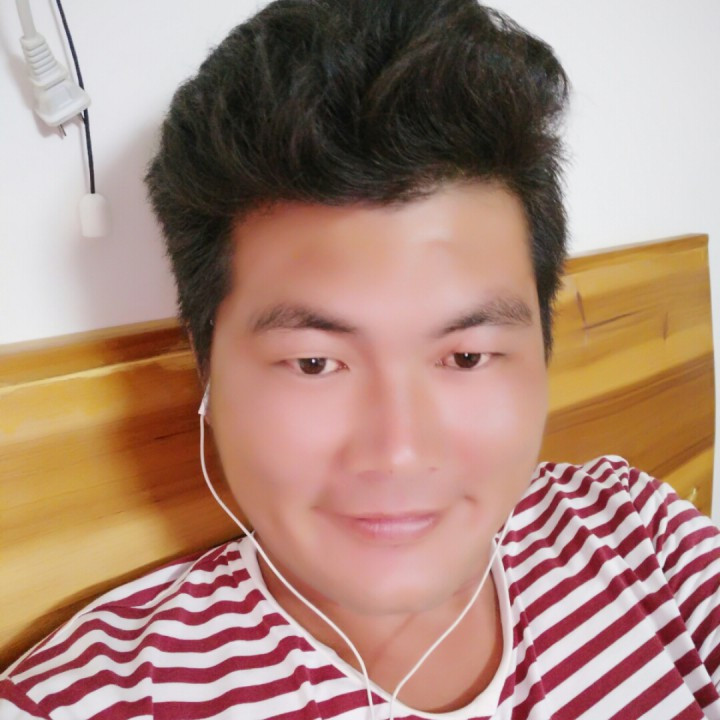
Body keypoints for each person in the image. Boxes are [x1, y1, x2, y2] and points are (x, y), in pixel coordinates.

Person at [2, 0, 719, 718]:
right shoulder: (101, 697)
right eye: (315, 363)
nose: (399, 452)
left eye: (468, 356)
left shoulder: (636, 532)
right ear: (207, 366)